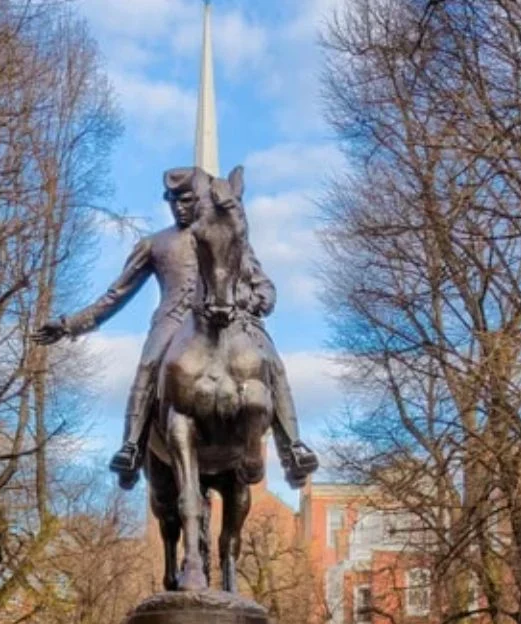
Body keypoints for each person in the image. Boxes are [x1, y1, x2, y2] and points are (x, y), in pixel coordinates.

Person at [35, 166, 317, 489]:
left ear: (200, 199)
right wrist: (70, 325)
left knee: (270, 361)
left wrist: (259, 300)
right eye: (174, 200)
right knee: (148, 364)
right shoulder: (154, 244)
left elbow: (261, 282)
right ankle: (131, 447)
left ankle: (292, 448)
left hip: (228, 318)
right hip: (172, 322)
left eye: (188, 199)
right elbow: (116, 294)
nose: (181, 206)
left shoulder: (224, 232)